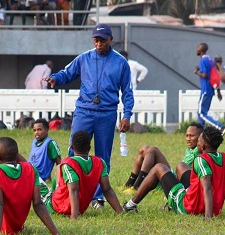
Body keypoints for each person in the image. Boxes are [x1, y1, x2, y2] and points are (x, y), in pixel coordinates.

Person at [43, 24, 133, 209]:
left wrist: (127, 115)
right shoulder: (84, 58)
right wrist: (55, 79)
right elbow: (67, 73)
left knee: (102, 156)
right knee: (73, 151)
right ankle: (67, 190)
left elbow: (127, 92)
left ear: (110, 39)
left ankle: (98, 198)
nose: (99, 44)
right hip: (84, 111)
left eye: (102, 40)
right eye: (96, 40)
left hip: (107, 113)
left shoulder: (120, 62)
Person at [123, 126, 225, 219]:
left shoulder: (200, 160)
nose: (197, 143)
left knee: (159, 168)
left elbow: (207, 188)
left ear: (203, 146)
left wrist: (208, 217)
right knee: (182, 166)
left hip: (190, 207)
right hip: (213, 207)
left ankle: (130, 205)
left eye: (199, 140)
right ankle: (170, 204)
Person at [42, 131, 123, 219]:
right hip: (80, 208)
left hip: (60, 207)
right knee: (57, 180)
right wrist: (120, 211)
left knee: (37, 181)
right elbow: (107, 189)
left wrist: (74, 217)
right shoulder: (100, 163)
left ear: (72, 147)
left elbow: (74, 191)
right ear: (89, 147)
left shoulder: (68, 164)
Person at [122, 122, 204, 195]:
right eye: (187, 136)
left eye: (192, 136)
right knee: (144, 148)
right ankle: (129, 184)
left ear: (200, 137)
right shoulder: (190, 149)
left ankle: (137, 187)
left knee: (153, 150)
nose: (188, 139)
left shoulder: (200, 149)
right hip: (175, 176)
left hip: (177, 181)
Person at [194, 43, 225, 135]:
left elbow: (205, 75)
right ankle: (201, 133)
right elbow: (214, 76)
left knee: (201, 113)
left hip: (205, 90)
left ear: (201, 50)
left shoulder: (203, 60)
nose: (196, 49)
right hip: (210, 90)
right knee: (201, 113)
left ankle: (220, 127)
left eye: (198, 47)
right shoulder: (210, 60)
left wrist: (197, 72)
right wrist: (218, 90)